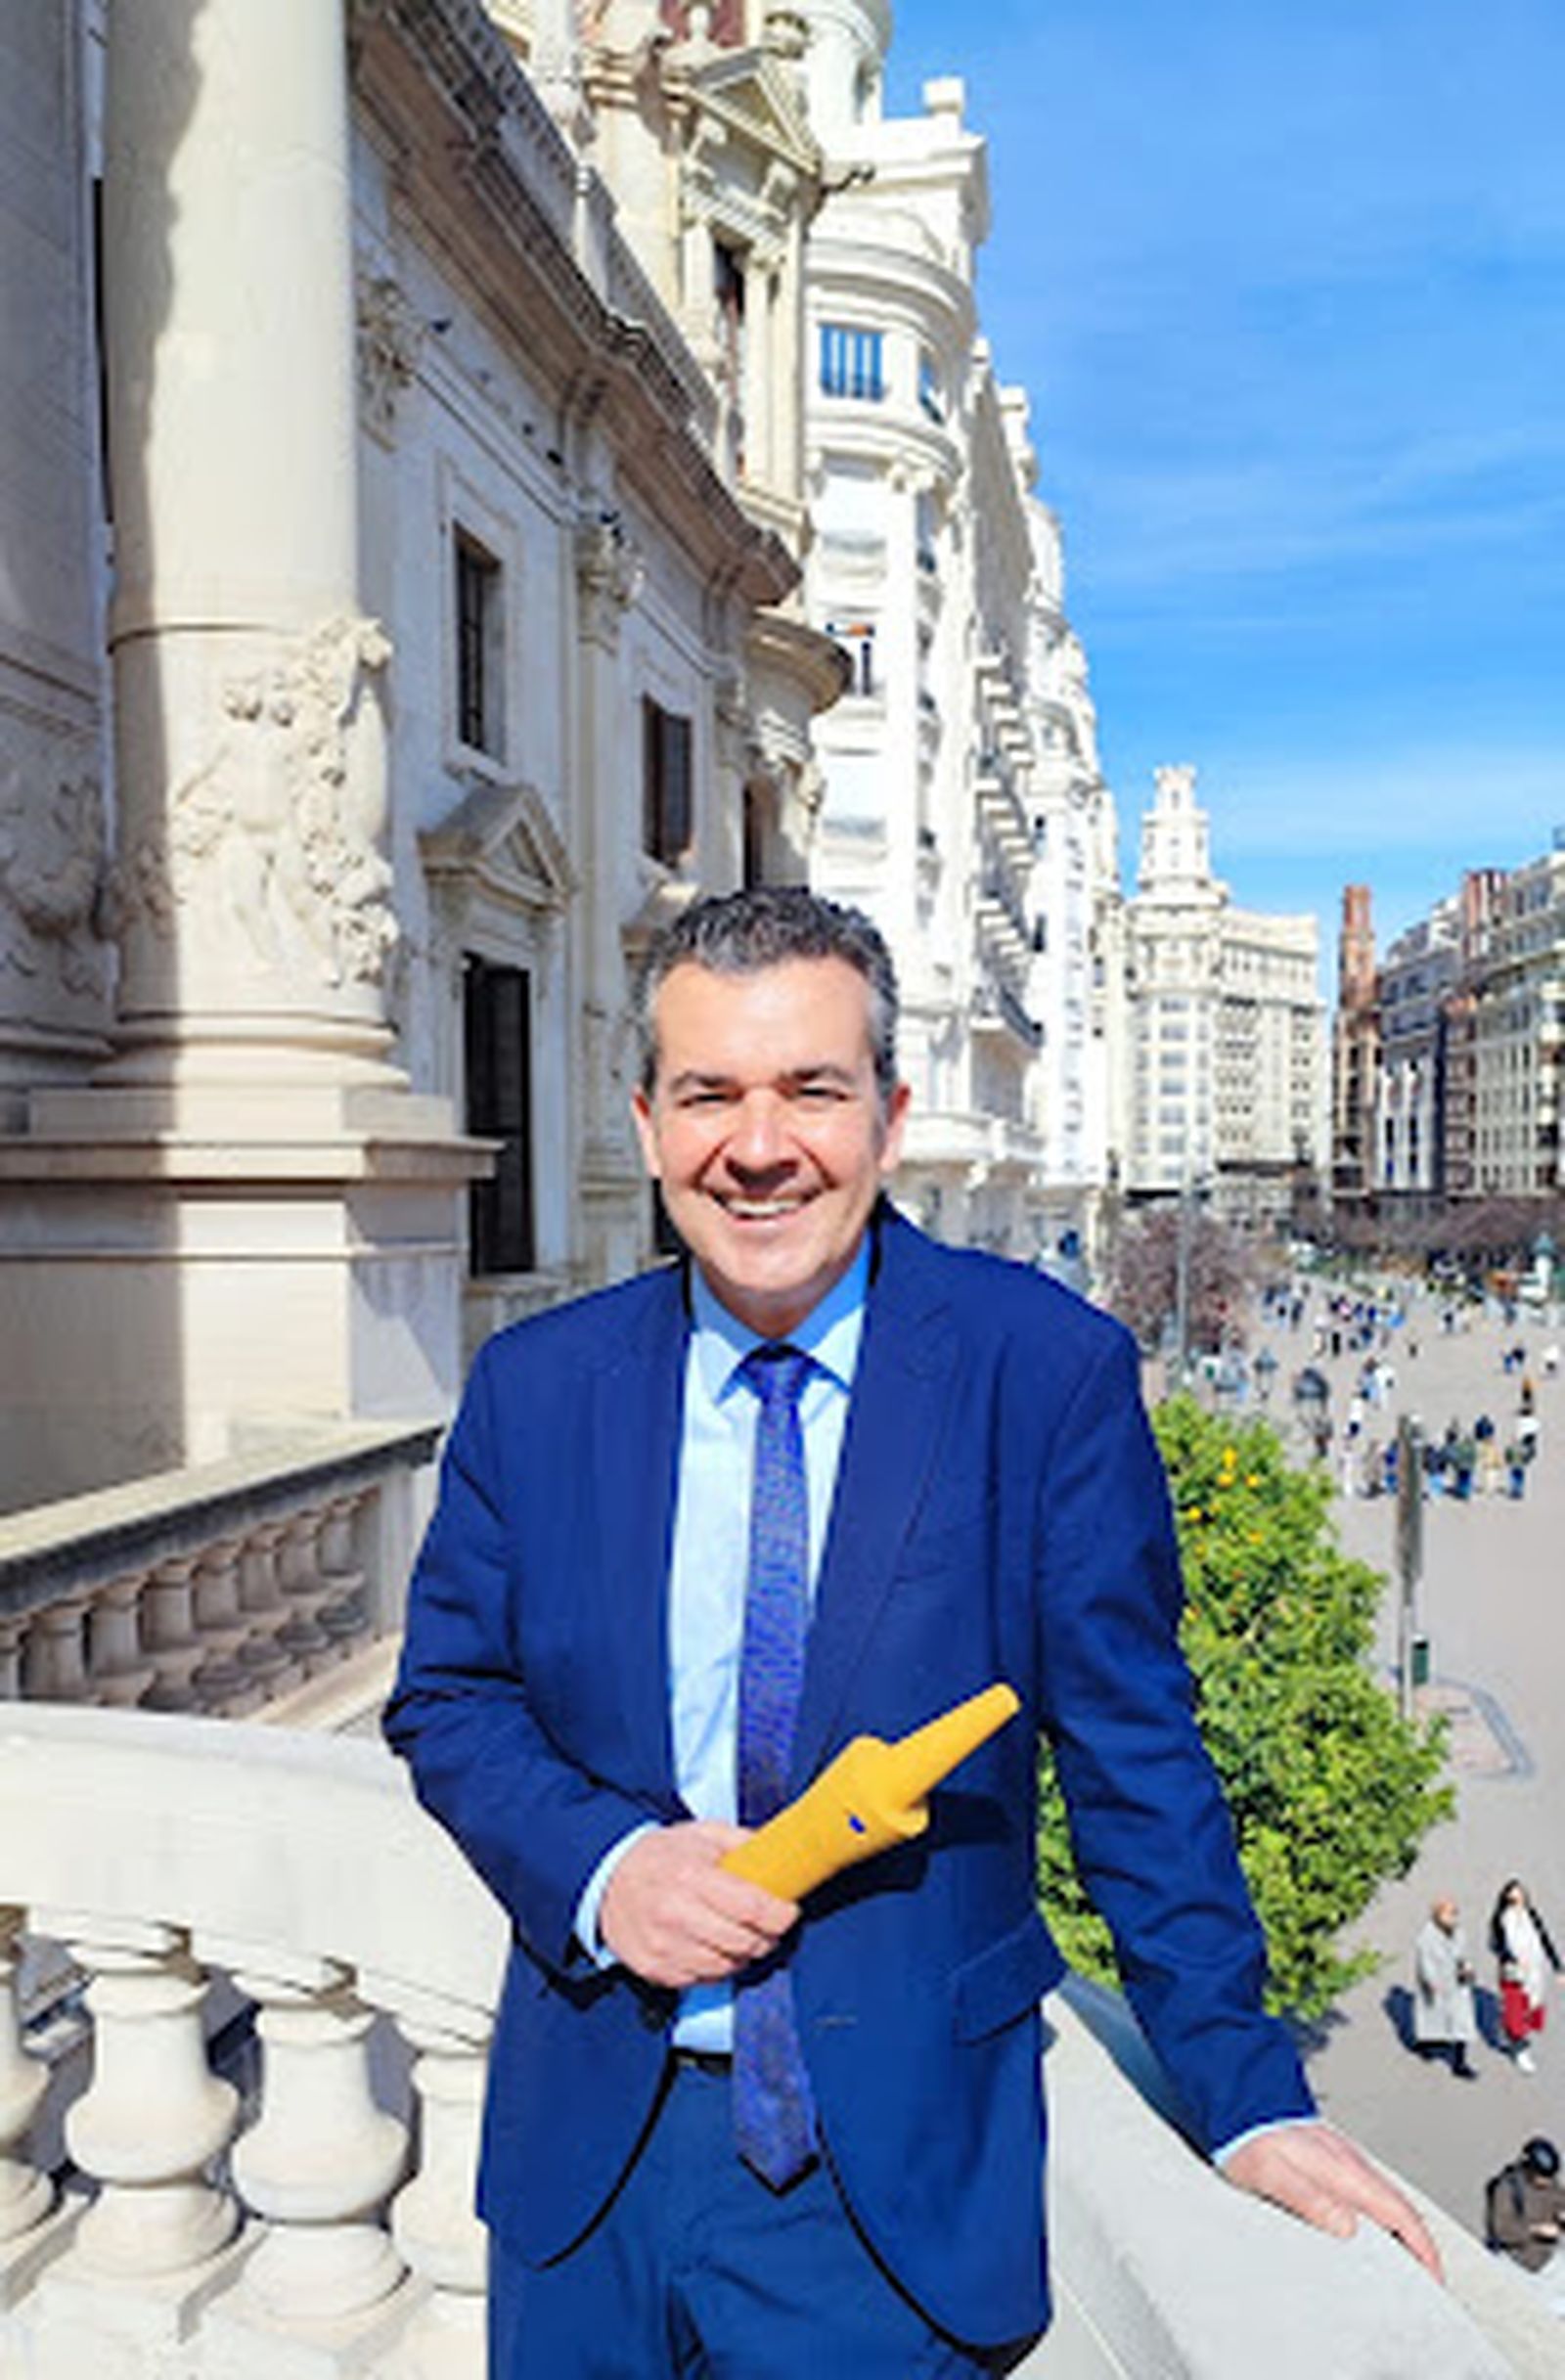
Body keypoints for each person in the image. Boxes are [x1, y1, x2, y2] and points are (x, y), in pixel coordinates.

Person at [384, 887, 1439, 2376]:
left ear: (885, 1113)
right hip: (587, 2173)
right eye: (709, 1094)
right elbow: (451, 1700)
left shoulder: (1043, 1371)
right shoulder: (536, 1385)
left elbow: (1136, 1755)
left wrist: (1247, 2090)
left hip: (883, 2196)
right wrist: (607, 1867)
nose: (759, 1146)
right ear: (644, 1120)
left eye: (811, 1089)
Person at [1485, 2136, 1565, 2316]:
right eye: (1542, 2178)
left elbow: (1559, 2200)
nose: (1547, 2183)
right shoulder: (1507, 2188)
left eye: (1550, 2178)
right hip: (1517, 2260)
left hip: (1546, 2257)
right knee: (1540, 2305)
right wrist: (1535, 2230)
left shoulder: (1551, 2185)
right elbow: (1501, 2230)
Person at [1489, 1880, 1563, 2072]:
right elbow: (1496, 1945)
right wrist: (1510, 1958)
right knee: (1515, 2013)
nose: (1518, 1897)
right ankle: (1520, 2051)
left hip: (1534, 1972)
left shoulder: (1532, 1915)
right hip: (1513, 1974)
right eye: (1513, 1894)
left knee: (1529, 2010)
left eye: (1520, 1893)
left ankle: (1514, 2036)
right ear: (1506, 1897)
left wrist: (1558, 1967)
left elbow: (1545, 1940)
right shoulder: (1501, 1918)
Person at [1413, 1898, 1479, 2079]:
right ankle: (1426, 2043)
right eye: (1448, 1913)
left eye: (1454, 1913)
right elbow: (1424, 1963)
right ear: (1437, 1915)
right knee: (1432, 2017)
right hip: (1438, 1985)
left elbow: (1464, 1955)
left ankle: (1459, 2063)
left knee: (1462, 2022)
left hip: (1457, 1985)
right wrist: (1431, 1982)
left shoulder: (1460, 1933)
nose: (1452, 1917)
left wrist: (1468, 1968)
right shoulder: (1426, 1937)